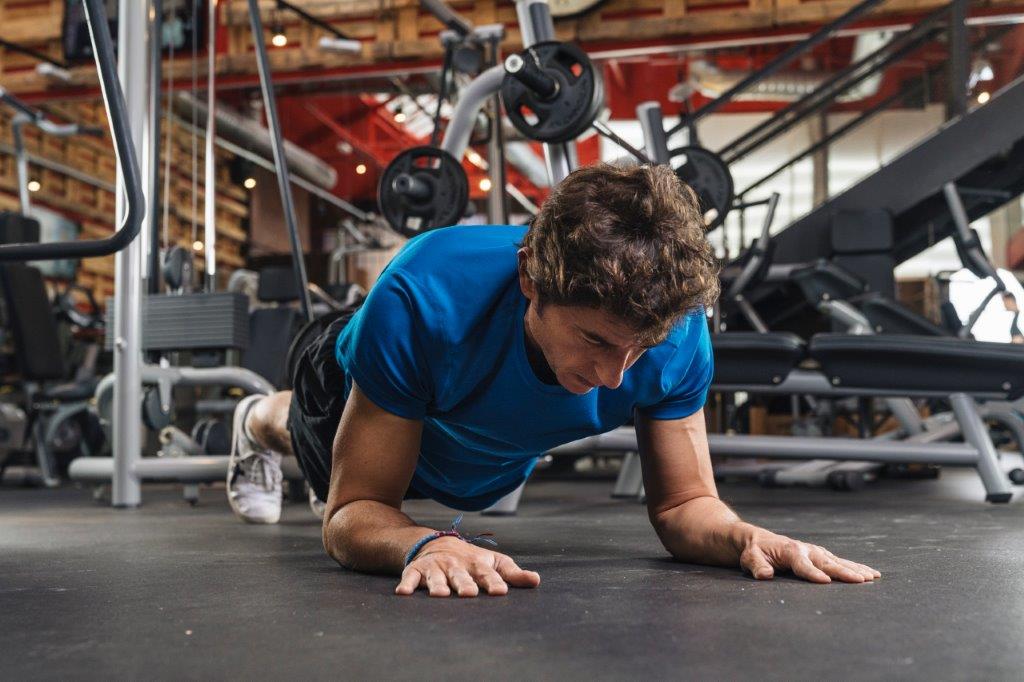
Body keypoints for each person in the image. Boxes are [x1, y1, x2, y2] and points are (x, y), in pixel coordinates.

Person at [227, 163, 880, 597]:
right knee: (309, 444)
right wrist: (418, 541)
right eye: (595, 340)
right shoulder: (425, 297)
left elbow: (684, 507)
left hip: (470, 447)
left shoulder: (675, 334)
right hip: (344, 384)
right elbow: (350, 516)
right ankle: (257, 419)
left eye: (638, 349)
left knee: (445, 481)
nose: (610, 378)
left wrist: (747, 535)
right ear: (530, 280)